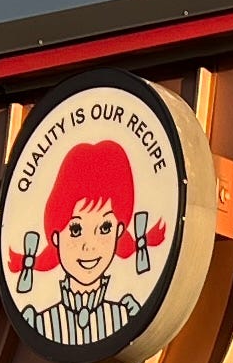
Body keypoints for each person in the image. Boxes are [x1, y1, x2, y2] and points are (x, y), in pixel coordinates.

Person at [19, 138, 144, 349]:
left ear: (119, 232)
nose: (89, 246)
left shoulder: (125, 314)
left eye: (104, 228)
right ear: (56, 236)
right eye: (75, 230)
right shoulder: (40, 323)